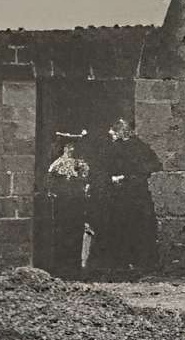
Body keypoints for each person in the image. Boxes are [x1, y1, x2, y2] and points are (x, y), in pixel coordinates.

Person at [96, 116, 163, 280]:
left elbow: (153, 165)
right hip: (118, 195)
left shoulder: (139, 147)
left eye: (114, 131)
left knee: (137, 228)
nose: (110, 133)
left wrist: (126, 177)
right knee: (119, 228)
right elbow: (105, 168)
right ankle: (121, 264)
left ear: (122, 131)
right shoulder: (114, 147)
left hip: (135, 195)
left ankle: (140, 264)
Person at [35, 139, 90, 277]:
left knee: (76, 231)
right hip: (62, 202)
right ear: (64, 148)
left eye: (73, 147)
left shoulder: (80, 164)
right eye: (68, 147)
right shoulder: (57, 164)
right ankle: (60, 265)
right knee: (61, 232)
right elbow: (50, 182)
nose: (71, 149)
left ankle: (74, 266)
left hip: (76, 201)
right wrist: (55, 192)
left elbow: (86, 179)